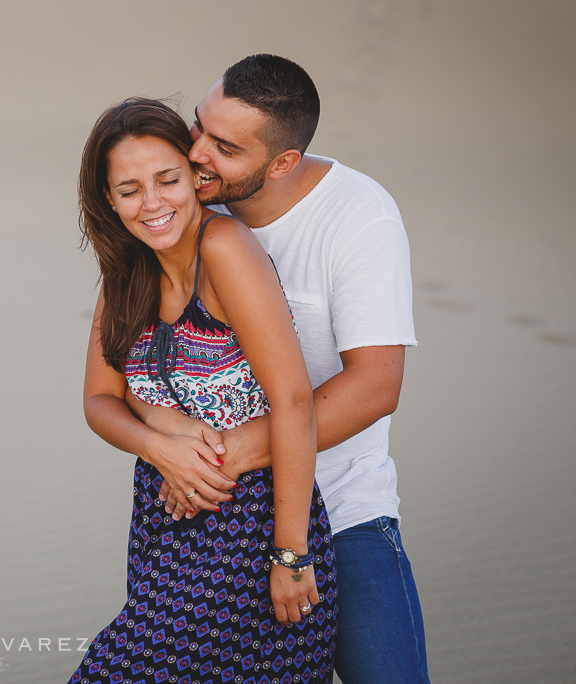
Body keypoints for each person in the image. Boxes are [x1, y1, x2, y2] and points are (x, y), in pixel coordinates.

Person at [130, 55, 429, 684]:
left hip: (342, 504)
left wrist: (234, 452)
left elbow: (377, 384)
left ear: (282, 162)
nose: (197, 154)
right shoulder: (184, 207)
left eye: (226, 147)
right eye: (198, 128)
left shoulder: (357, 217)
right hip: (218, 512)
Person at [69, 97, 337, 684]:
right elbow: (97, 400)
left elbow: (293, 402)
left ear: (195, 178)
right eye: (129, 189)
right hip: (162, 536)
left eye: (168, 179)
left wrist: (291, 555)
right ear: (108, 199)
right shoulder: (125, 276)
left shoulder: (224, 249)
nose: (153, 203)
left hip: (250, 533)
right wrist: (157, 445)